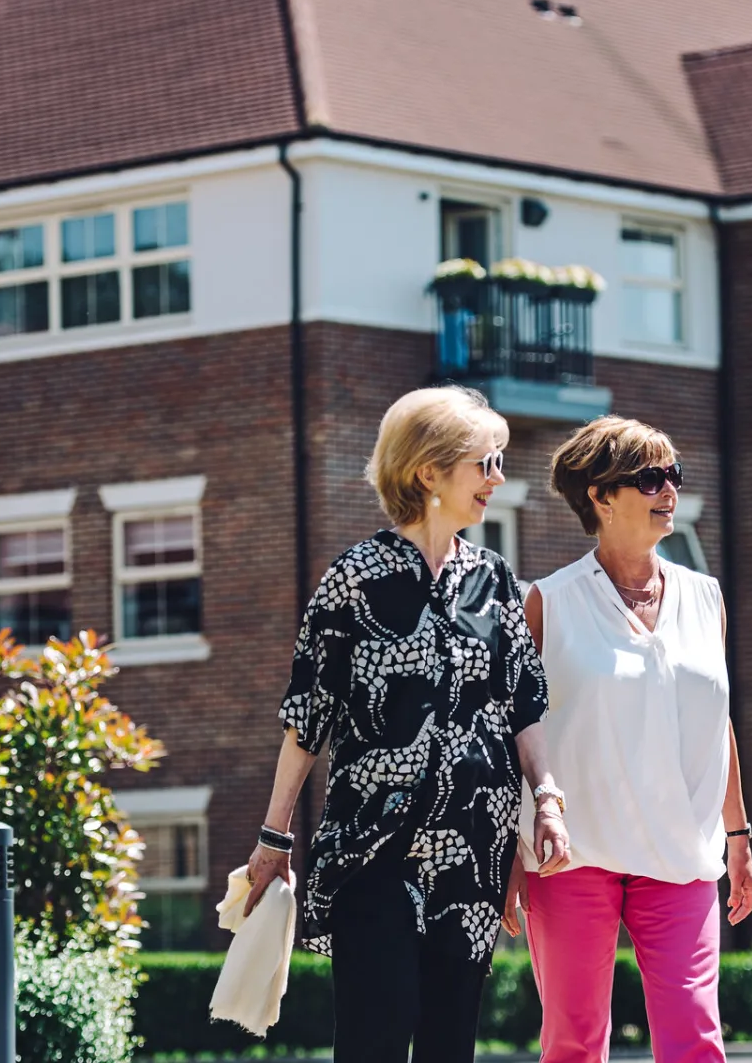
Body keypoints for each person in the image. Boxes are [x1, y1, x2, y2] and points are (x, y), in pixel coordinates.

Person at [244, 385, 571, 1063]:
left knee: (451, 1042)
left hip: (473, 854)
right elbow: (308, 715)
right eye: (484, 463)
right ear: (429, 471)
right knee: (377, 1032)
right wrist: (274, 834)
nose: (497, 479)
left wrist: (547, 798)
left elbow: (525, 702)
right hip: (375, 847)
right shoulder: (354, 581)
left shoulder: (496, 581)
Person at [500, 416, 752, 1063]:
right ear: (600, 496)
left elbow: (713, 720)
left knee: (696, 1041)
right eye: (649, 478)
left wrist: (739, 838)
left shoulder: (707, 598)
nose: (668, 489)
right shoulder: (546, 603)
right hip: (571, 856)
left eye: (674, 475)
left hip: (679, 856)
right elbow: (514, 733)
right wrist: (508, 852)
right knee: (574, 1043)